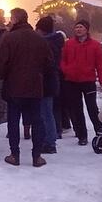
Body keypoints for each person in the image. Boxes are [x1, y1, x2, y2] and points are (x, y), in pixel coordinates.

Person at [0, 8, 52, 167]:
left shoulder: (9, 38)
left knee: (13, 121)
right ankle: (37, 156)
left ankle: (15, 155)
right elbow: (49, 62)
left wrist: (6, 75)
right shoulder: (39, 38)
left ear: (15, 19)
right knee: (37, 120)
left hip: (14, 85)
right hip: (35, 85)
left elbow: (2, 63)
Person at [60, 20, 102, 146]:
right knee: (77, 109)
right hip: (72, 81)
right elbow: (63, 60)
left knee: (92, 108)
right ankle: (82, 136)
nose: (78, 29)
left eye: (81, 27)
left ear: (86, 29)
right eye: (76, 27)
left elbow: (100, 64)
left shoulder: (95, 45)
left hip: (88, 81)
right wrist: (66, 70)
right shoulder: (69, 44)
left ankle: (100, 132)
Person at [36, 16, 64, 154]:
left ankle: (49, 142)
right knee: (48, 112)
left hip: (45, 82)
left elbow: (46, 64)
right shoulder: (56, 41)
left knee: (45, 113)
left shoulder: (46, 43)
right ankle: (49, 140)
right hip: (51, 81)